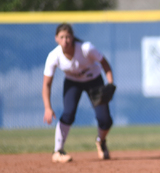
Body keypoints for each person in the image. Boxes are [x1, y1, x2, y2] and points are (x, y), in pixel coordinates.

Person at [42, 23, 114, 163]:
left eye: (68, 37)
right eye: (61, 37)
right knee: (68, 113)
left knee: (105, 120)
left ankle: (101, 141)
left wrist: (110, 84)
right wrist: (47, 107)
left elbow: (105, 64)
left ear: (73, 37)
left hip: (93, 80)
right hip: (72, 82)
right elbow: (47, 84)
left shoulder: (86, 48)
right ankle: (58, 151)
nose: (65, 41)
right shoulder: (54, 56)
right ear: (56, 38)